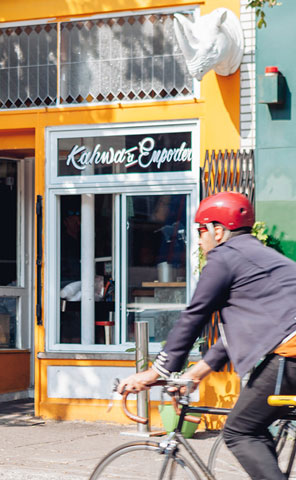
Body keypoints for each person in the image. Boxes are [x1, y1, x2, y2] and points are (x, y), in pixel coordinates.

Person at [118, 191, 296, 480]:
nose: (199, 240)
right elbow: (238, 334)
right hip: (289, 350)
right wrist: (197, 373)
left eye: (201, 230)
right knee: (254, 424)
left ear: (218, 230)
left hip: (291, 352)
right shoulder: (258, 256)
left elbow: (195, 315)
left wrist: (156, 371)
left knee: (239, 431)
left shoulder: (225, 257)